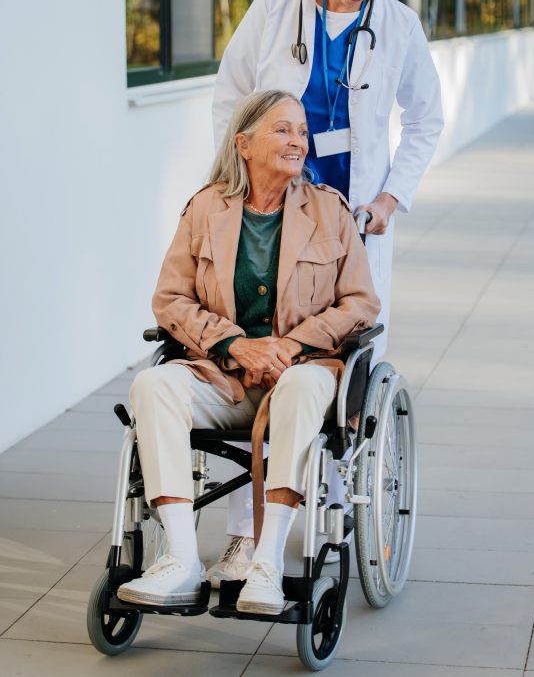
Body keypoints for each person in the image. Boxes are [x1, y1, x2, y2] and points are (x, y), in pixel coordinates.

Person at [209, 0, 444, 582]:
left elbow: (425, 118)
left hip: (350, 226)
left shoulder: (397, 24)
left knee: (339, 372)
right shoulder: (273, 3)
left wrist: (389, 200)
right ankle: (239, 533)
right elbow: (231, 98)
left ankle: (331, 517)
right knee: (256, 365)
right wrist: (237, 182)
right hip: (269, 211)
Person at [117, 90, 380, 615]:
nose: (298, 141)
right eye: (283, 130)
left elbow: (361, 303)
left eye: (302, 132)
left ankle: (266, 565)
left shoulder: (330, 210)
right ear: (244, 143)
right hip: (224, 379)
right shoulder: (205, 208)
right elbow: (170, 299)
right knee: (152, 384)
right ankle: (181, 560)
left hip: (299, 376)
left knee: (306, 385)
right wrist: (234, 343)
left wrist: (289, 344)